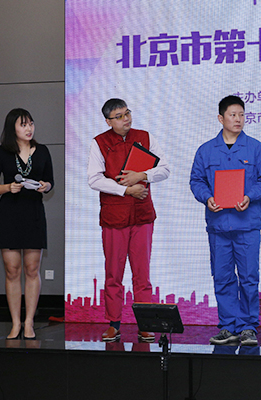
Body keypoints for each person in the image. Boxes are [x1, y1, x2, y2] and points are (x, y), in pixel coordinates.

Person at [190, 95, 261, 346]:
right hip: (218, 225)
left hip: (247, 223)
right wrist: (207, 198)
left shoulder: (256, 148)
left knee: (249, 277)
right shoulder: (206, 150)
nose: (238, 119)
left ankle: (248, 327)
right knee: (222, 276)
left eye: (242, 114)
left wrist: (250, 196)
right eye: (233, 115)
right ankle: (228, 327)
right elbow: (196, 181)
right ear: (221, 118)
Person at [87, 98, 170, 342]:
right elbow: (94, 179)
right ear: (108, 121)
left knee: (142, 274)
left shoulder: (145, 137)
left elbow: (164, 169)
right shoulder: (99, 142)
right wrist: (126, 189)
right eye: (119, 116)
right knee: (113, 274)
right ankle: (114, 324)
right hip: (114, 216)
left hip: (142, 215)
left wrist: (142, 175)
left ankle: (146, 323)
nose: (126, 119)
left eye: (127, 113)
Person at [0, 108, 54, 340]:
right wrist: (8, 187)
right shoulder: (2, 153)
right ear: (12, 128)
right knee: (12, 270)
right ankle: (15, 323)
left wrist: (46, 186)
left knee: (32, 269)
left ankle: (29, 322)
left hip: (33, 213)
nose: (29, 128)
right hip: (10, 215)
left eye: (31, 123)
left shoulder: (43, 151)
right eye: (23, 124)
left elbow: (50, 181)